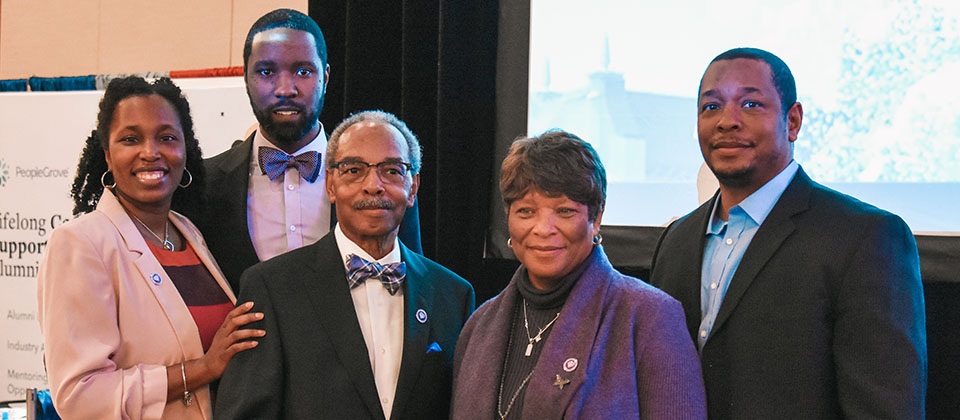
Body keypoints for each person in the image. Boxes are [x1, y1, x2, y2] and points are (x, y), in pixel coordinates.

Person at [650, 47, 927, 419]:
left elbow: (885, 407)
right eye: (711, 107)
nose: (726, 121)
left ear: (793, 121)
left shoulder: (866, 237)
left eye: (750, 105)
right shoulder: (676, 242)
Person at [213, 110, 475, 420]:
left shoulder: (452, 294)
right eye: (353, 170)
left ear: (413, 187)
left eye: (391, 170)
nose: (373, 186)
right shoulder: (272, 288)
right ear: (330, 184)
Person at [37, 76, 264, 419]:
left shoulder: (187, 232)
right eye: (131, 139)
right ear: (108, 156)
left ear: (186, 151)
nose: (150, 152)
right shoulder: (81, 243)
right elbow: (79, 396)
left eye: (167, 138)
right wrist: (202, 369)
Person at [451, 131, 706, 419]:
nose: (543, 228)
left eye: (564, 211)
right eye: (526, 211)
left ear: (595, 218)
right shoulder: (478, 326)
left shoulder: (650, 317)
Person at [192, 8, 421, 291]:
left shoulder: (385, 181)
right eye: (266, 72)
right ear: (246, 78)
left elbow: (410, 280)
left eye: (303, 71)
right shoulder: (204, 182)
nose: (286, 89)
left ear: (325, 76)